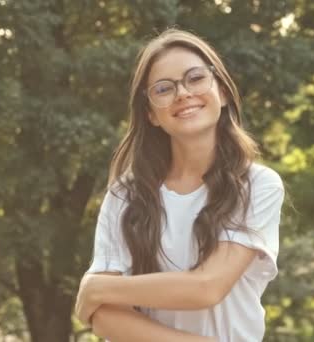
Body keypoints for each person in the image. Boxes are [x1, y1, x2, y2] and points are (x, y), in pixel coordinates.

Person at [75, 28, 285, 342]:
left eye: (196, 78)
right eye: (163, 88)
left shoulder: (257, 185)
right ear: (151, 115)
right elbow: (103, 316)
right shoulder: (125, 195)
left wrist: (97, 287)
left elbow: (207, 287)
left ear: (223, 91)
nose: (183, 93)